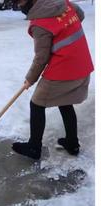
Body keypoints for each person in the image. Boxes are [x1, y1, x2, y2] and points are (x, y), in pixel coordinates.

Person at [12, 0, 94, 160]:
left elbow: (41, 58)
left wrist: (30, 79)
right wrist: (65, 31)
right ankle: (72, 143)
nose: (19, 6)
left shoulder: (40, 24)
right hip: (82, 63)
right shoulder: (64, 4)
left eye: (20, 2)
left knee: (36, 103)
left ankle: (34, 147)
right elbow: (81, 15)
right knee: (65, 101)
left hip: (64, 70)